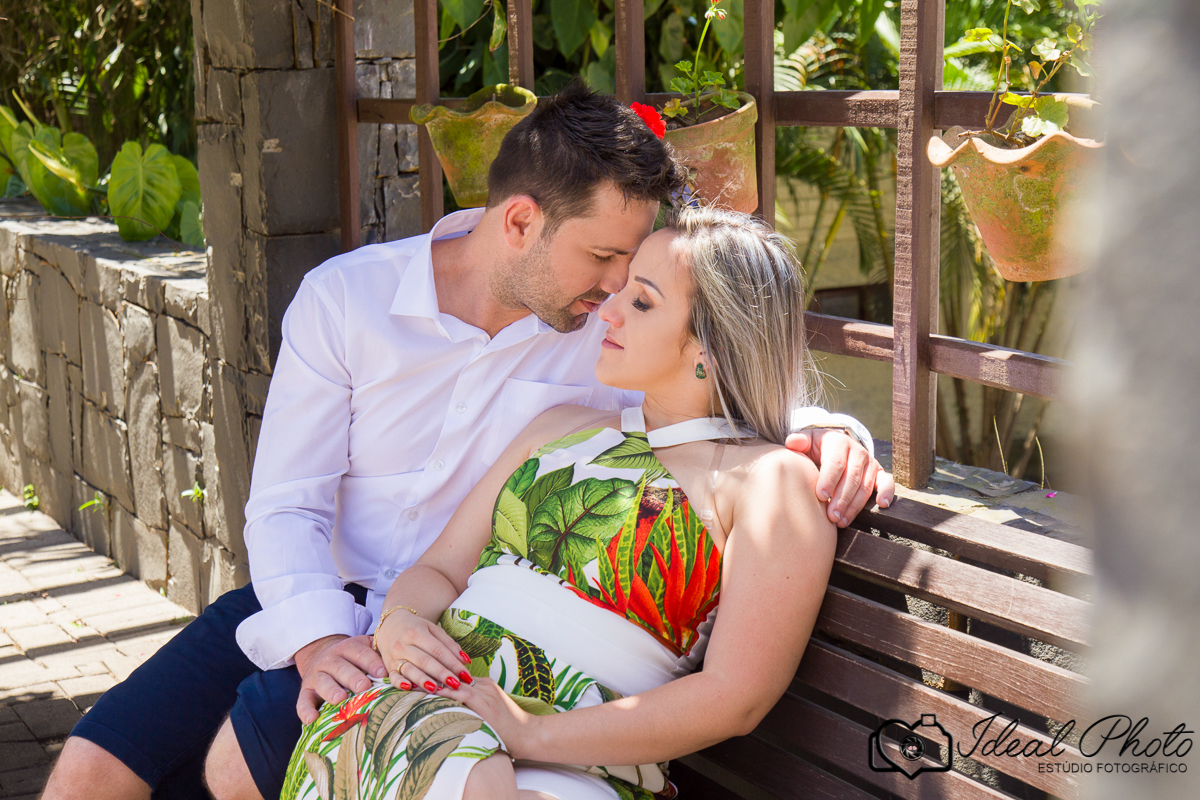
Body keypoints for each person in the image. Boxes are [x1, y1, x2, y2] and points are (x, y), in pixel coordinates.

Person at [42, 83, 891, 800]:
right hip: (336, 605)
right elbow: (287, 506)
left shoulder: (592, 335)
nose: (611, 293)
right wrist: (320, 640)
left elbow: (717, 398)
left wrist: (836, 434)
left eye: (631, 277)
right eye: (604, 260)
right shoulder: (349, 300)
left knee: (270, 760)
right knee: (89, 772)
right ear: (520, 222)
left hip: (456, 645)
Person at [283, 206, 838, 800]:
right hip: (428, 706)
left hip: (583, 757)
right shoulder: (560, 429)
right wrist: (399, 625)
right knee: (444, 764)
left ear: (713, 346)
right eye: (620, 290)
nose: (610, 309)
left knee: (475, 780)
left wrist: (528, 735)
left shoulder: (768, 484)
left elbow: (735, 697)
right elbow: (440, 569)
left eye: (642, 302)